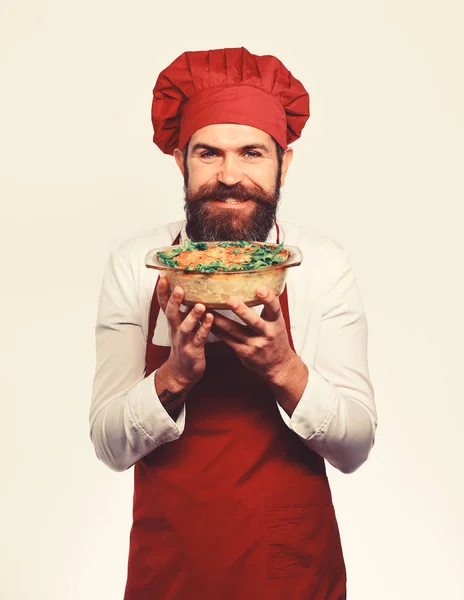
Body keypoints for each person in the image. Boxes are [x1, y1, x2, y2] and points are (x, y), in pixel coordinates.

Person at [89, 47, 377, 600]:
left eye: (251, 153)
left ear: (283, 163)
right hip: (170, 567)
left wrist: (285, 370)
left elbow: (355, 447)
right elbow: (108, 445)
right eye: (208, 153)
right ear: (181, 160)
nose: (229, 176)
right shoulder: (138, 262)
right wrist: (174, 376)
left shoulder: (321, 264)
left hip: (290, 568)